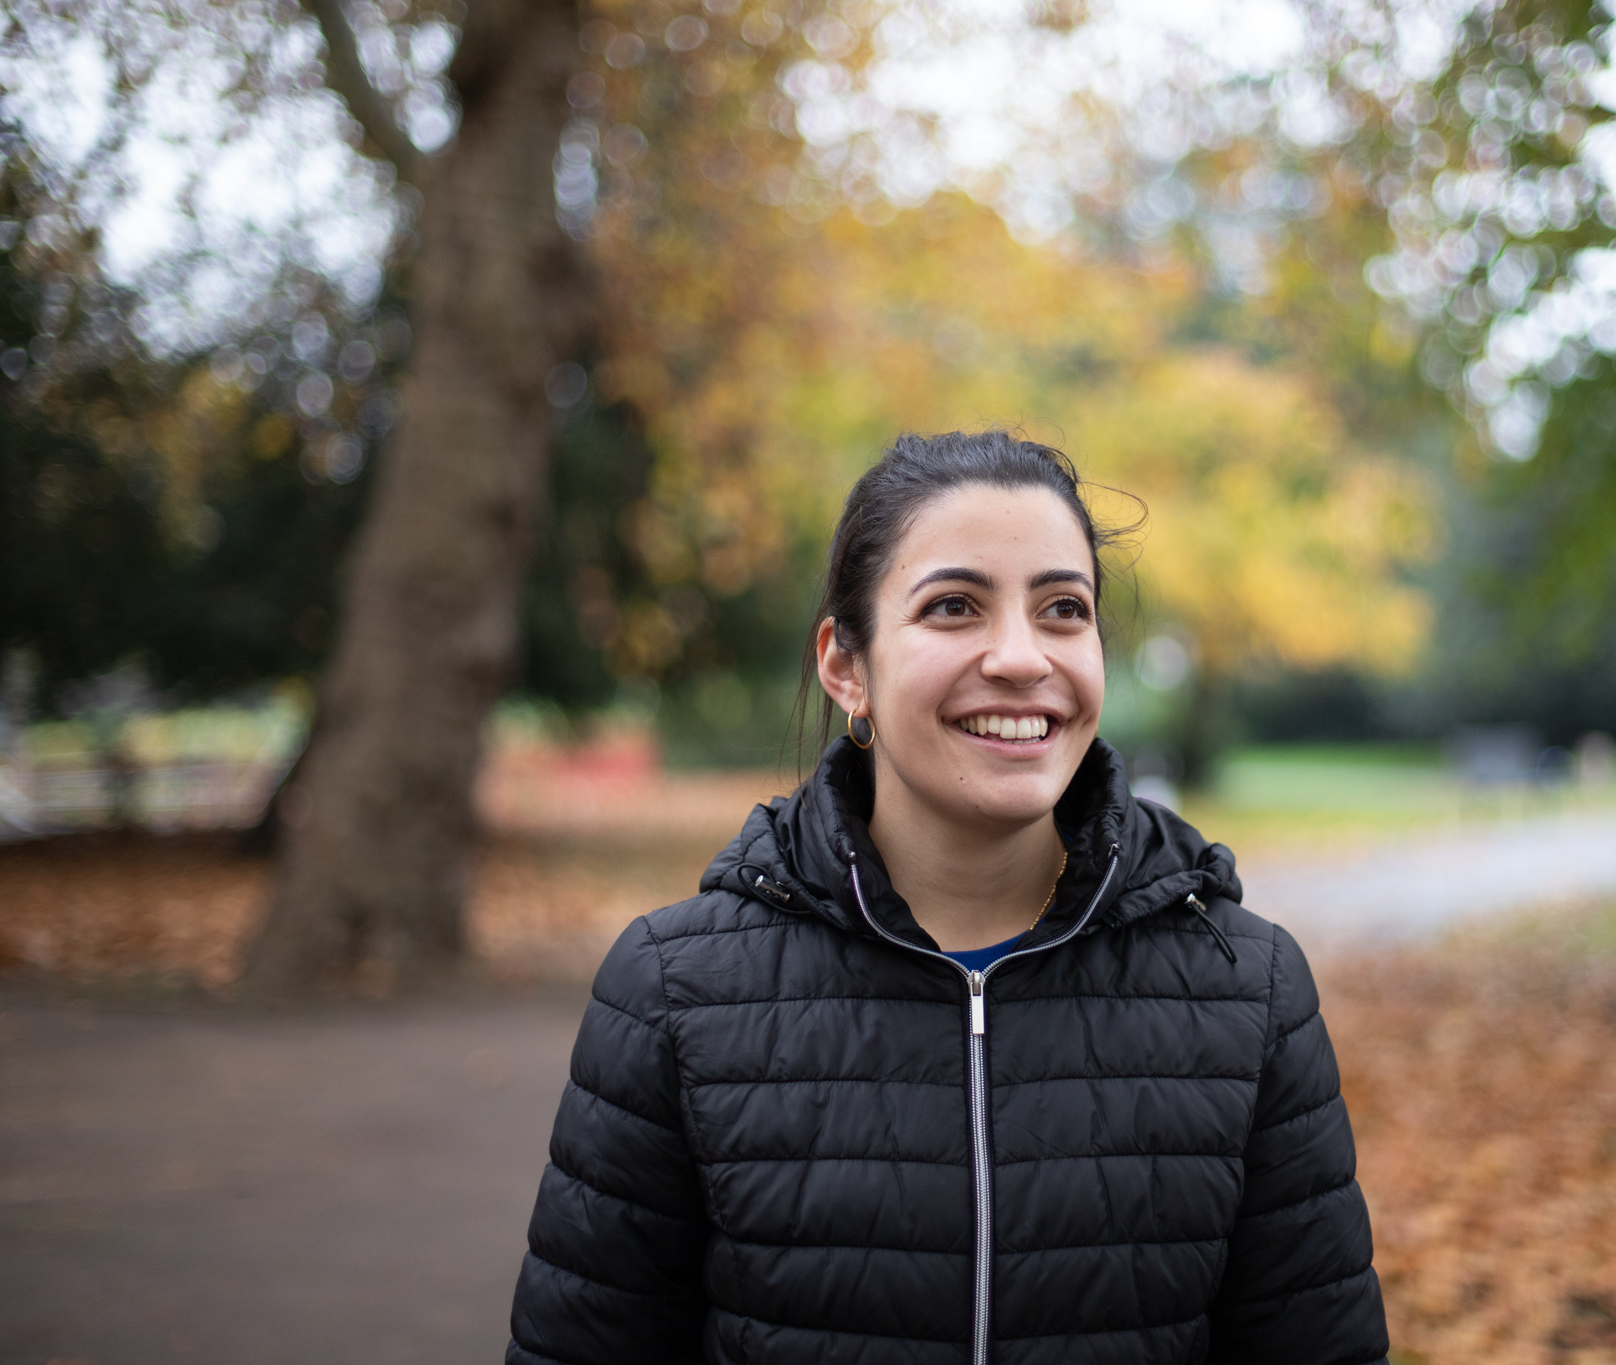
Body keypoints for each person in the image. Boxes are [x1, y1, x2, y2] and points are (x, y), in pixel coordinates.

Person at [506, 431, 1388, 1364]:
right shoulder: (673, 992)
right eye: (955, 606)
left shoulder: (1249, 990)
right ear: (846, 666)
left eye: (1062, 609)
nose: (1020, 657)